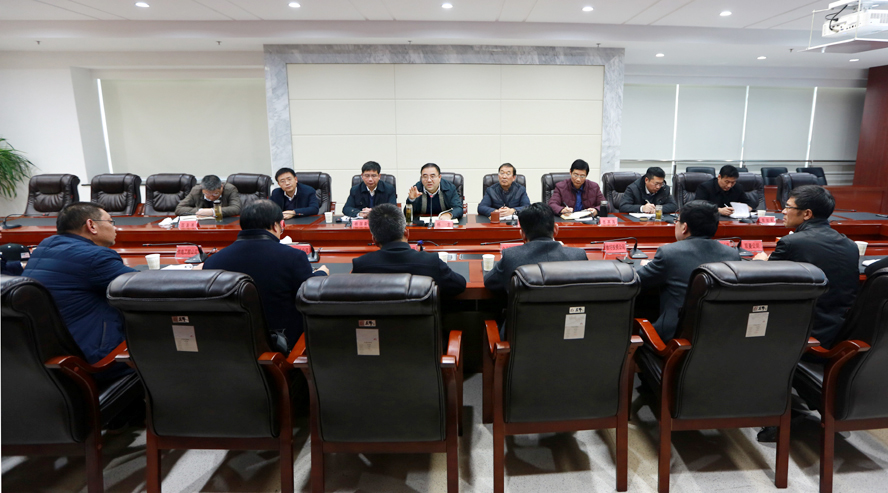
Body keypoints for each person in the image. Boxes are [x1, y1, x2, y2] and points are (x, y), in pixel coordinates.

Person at [22, 202, 136, 368]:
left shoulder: (44, 247)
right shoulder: (95, 257)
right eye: (110, 222)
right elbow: (141, 287)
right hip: (91, 360)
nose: (115, 228)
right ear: (91, 225)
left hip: (45, 357)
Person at [204, 200, 329, 350]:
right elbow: (311, 296)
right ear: (276, 226)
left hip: (231, 345)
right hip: (282, 345)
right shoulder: (293, 257)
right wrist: (321, 274)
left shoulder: (213, 261)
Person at [753, 185, 859, 349]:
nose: (783, 211)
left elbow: (764, 281)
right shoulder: (850, 245)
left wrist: (760, 262)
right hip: (838, 332)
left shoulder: (791, 243)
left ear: (807, 214)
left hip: (799, 332)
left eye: (788, 207)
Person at [635, 200, 740, 342]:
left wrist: (647, 266)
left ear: (684, 227)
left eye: (677, 221)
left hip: (675, 340)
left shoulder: (669, 253)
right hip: (719, 336)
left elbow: (636, 281)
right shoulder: (732, 254)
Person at [352, 203, 466, 297]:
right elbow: (460, 285)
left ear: (374, 240)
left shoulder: (361, 265)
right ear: (406, 233)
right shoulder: (431, 262)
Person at [484, 202, 588, 293]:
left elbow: (489, 283)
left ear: (522, 234)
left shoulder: (511, 257)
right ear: (556, 230)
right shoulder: (578, 256)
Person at [175, 174, 242, 217]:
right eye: (207, 194)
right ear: (201, 188)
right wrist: (201, 211)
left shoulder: (230, 189)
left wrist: (213, 211)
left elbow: (236, 208)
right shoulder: (196, 190)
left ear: (221, 187)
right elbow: (179, 209)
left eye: (215, 193)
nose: (211, 197)